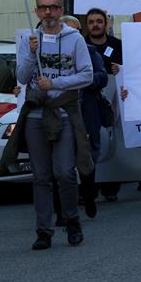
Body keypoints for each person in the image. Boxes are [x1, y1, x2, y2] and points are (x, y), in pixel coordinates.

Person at [3, 0, 93, 250]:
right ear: (36, 11)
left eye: (53, 7)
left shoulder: (74, 38)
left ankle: (71, 219)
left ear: (61, 10)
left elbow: (86, 75)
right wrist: (31, 54)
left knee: (64, 172)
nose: (48, 13)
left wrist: (55, 82)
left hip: (63, 112)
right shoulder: (30, 39)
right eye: (43, 8)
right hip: (36, 115)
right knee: (40, 176)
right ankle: (44, 230)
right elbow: (21, 77)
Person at [58, 15, 108, 220]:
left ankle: (89, 196)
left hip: (86, 112)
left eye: (75, 31)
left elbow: (102, 77)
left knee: (87, 157)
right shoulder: (52, 55)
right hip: (61, 114)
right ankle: (64, 207)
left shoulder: (90, 51)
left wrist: (82, 80)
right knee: (63, 162)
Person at [83, 7, 123, 201]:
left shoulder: (118, 45)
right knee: (90, 143)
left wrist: (120, 69)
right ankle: (89, 186)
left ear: (105, 23)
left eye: (99, 21)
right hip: (88, 103)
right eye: (91, 22)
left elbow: (130, 70)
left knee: (112, 138)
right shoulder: (80, 45)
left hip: (114, 101)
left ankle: (111, 185)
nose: (95, 25)